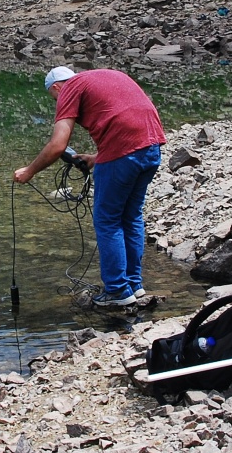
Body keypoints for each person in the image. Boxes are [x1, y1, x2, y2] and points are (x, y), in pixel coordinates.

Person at [14, 66, 166, 306]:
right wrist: (97, 158)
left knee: (108, 220)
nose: (58, 102)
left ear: (56, 87)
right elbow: (125, 116)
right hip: (151, 147)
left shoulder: (69, 89)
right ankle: (134, 286)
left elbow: (57, 145)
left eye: (54, 98)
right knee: (131, 216)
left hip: (123, 152)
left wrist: (29, 171)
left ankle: (117, 291)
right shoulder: (105, 75)